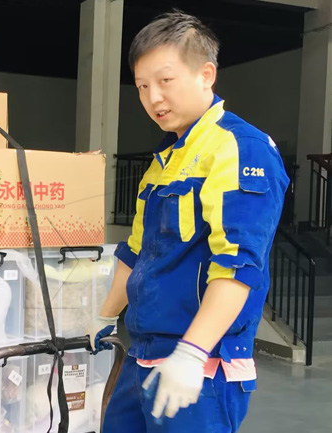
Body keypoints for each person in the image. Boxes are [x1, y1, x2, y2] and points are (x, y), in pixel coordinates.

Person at [87, 10, 289, 433]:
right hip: (143, 355)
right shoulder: (165, 160)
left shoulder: (239, 148)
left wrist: (192, 353)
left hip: (202, 366)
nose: (153, 98)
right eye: (142, 87)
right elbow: (136, 251)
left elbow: (239, 265)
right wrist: (103, 317)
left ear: (206, 75)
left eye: (165, 80)